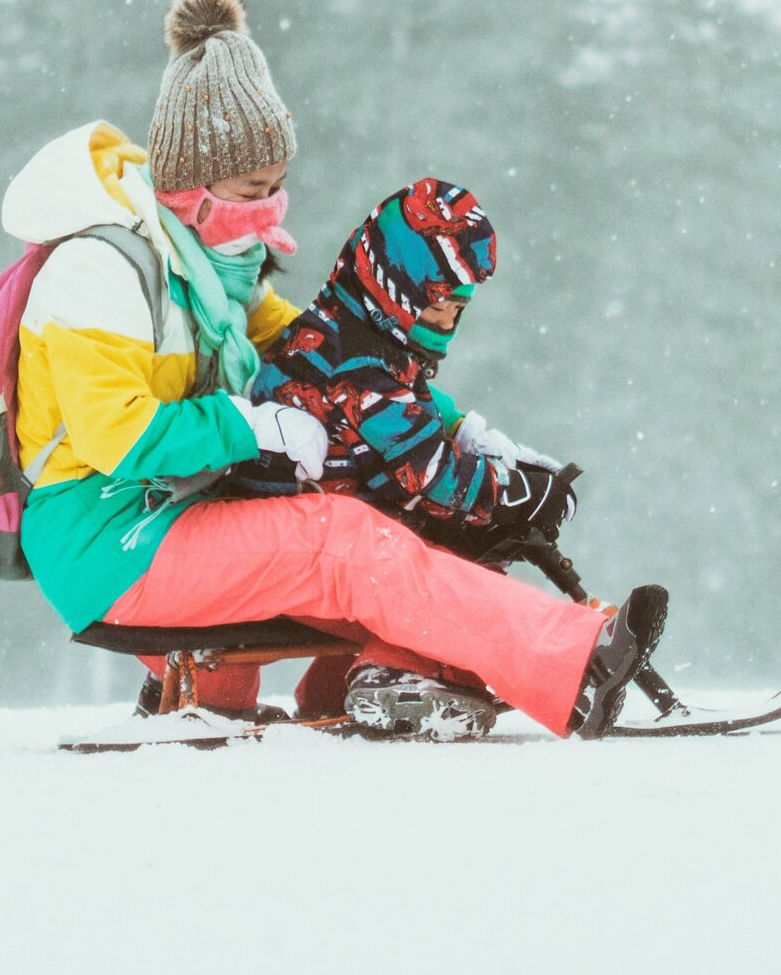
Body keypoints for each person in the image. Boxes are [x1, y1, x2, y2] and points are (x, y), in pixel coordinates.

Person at [1, 0, 665, 740]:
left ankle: (369, 683)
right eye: (251, 189)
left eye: (277, 188)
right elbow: (112, 434)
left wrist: (460, 429)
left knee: (388, 515)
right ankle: (574, 665)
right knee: (339, 540)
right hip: (105, 537)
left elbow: (333, 359)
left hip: (177, 512)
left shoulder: (212, 273)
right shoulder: (101, 272)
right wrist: (251, 426)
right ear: (190, 185)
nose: (268, 209)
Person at [235, 178, 589, 734]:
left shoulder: (349, 328)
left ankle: (334, 689)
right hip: (320, 547)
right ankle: (401, 673)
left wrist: (482, 452)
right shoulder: (360, 364)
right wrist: (517, 493)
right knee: (455, 565)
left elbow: (410, 430)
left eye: (458, 307)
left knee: (450, 534)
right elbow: (431, 474)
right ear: (392, 289)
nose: (446, 322)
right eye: (435, 304)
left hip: (324, 528)